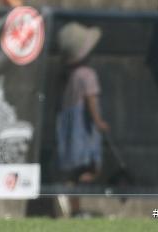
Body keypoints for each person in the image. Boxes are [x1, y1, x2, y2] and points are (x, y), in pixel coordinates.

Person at [55, 22, 108, 218]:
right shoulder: (87, 74)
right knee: (90, 168)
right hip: (83, 131)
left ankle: (73, 205)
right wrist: (99, 121)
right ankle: (71, 202)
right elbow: (91, 99)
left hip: (67, 132)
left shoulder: (69, 76)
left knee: (73, 173)